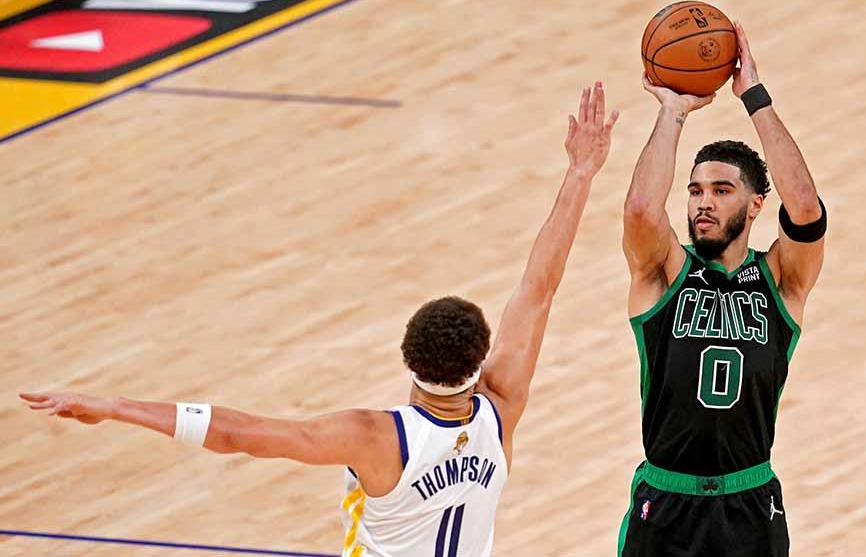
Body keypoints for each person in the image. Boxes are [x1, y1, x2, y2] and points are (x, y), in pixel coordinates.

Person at [20, 82, 619, 557]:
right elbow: (539, 287)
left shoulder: (375, 437)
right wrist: (581, 173)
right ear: (480, 358)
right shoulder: (502, 404)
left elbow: (236, 433)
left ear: (408, 359)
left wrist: (116, 407)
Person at [618, 22, 826, 557]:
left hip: (750, 503)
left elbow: (805, 208)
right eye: (695, 190)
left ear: (757, 203)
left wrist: (752, 96)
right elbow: (642, 210)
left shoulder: (781, 280)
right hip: (666, 501)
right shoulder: (664, 273)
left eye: (721, 190)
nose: (702, 202)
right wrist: (672, 112)